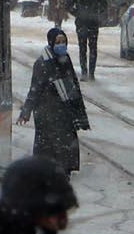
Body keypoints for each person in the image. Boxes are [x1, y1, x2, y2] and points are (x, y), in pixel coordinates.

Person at [20, 21, 89, 174]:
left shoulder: (66, 59)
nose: (61, 45)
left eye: (63, 42)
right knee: (50, 142)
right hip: (47, 109)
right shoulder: (42, 63)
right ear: (51, 42)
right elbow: (35, 89)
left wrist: (77, 106)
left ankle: (65, 168)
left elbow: (73, 83)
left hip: (64, 108)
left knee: (65, 140)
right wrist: (26, 111)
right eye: (58, 42)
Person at [66, 0, 110, 80]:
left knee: (93, 48)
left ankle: (91, 72)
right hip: (81, 23)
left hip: (93, 23)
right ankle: (84, 71)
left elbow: (104, 5)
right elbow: (68, 4)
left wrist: (98, 14)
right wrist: (77, 13)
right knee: (82, 47)